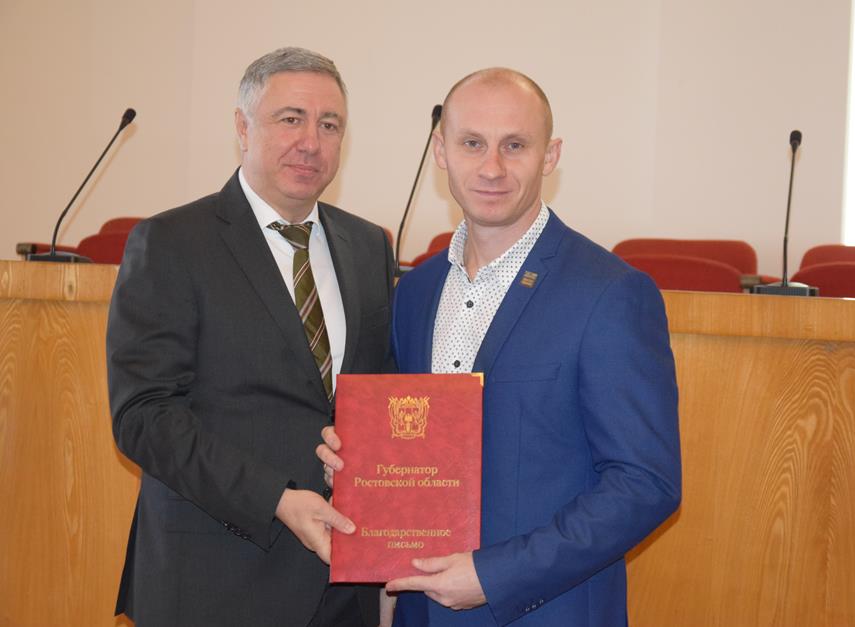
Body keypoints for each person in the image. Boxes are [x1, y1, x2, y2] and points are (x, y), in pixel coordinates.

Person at [319, 68, 682, 626]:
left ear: (550, 155)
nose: (491, 168)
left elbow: (645, 484)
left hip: (548, 613)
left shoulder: (610, 293)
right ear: (440, 151)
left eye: (515, 145)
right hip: (420, 612)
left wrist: (497, 575)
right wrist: (355, 467)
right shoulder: (414, 293)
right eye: (472, 143)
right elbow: (409, 446)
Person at [107, 47, 392, 627]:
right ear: (242, 127)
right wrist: (276, 498)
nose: (310, 142)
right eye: (291, 119)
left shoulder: (369, 247)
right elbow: (143, 415)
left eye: (329, 124)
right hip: (216, 580)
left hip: (344, 584)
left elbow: (376, 398)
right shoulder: (171, 243)